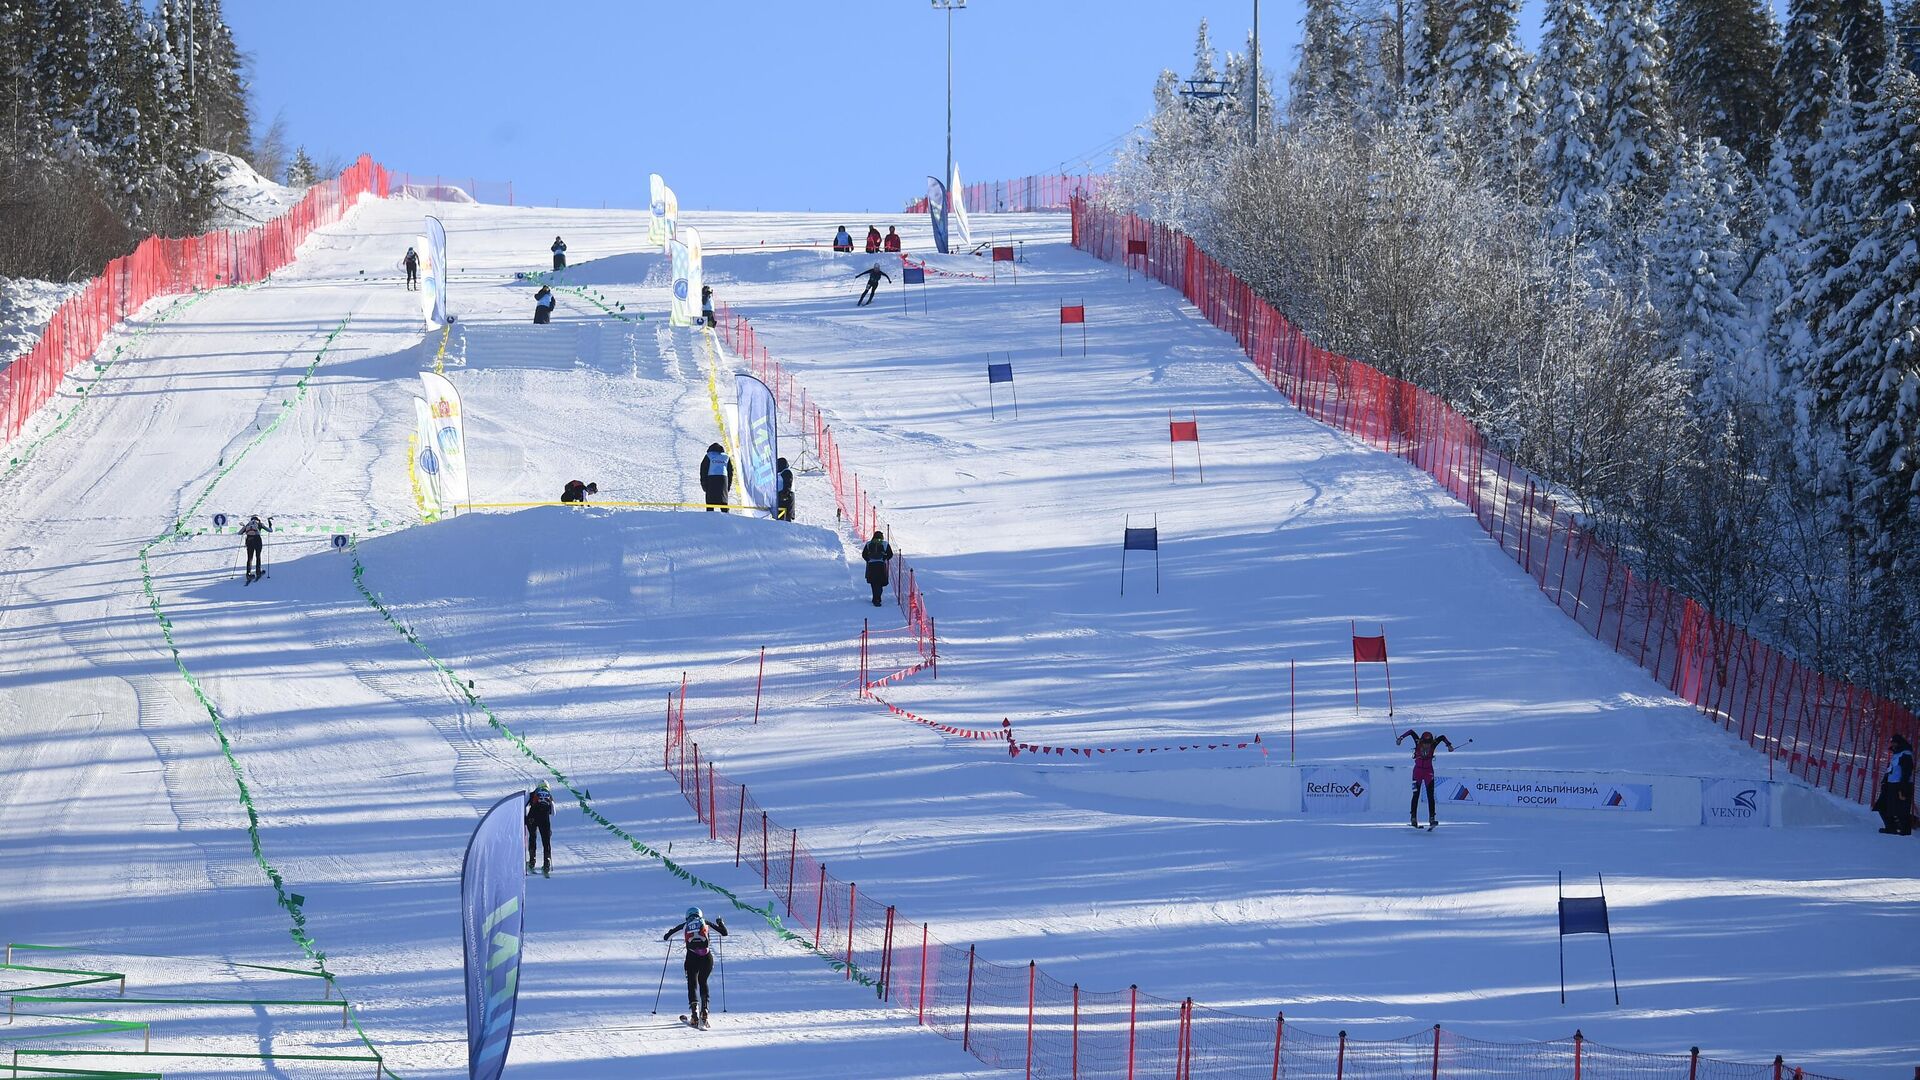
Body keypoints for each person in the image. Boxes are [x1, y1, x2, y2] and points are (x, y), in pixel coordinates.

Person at [662, 906, 728, 1027]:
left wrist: (671, 932)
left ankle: (694, 1014)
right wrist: (720, 923)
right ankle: (705, 1010)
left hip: (691, 958)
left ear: (687, 916)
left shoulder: (685, 925)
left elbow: (667, 937)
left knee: (692, 983)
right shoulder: (705, 923)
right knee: (703, 981)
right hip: (707, 957)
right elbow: (724, 933)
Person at [1397, 728, 1456, 830]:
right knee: (1416, 795)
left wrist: (1449, 745)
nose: (1427, 745)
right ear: (1421, 741)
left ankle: (1432, 818)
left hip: (1428, 772)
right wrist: (1400, 738)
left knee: (1430, 796)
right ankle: (1413, 818)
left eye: (1429, 743)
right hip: (1417, 772)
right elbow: (1411, 732)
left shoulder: (1433, 744)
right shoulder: (1418, 742)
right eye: (1425, 743)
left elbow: (1442, 737)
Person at [1874, 734, 1914, 835]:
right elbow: (1891, 769)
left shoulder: (1905, 754)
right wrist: (1885, 781)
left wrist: (1903, 788)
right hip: (1891, 784)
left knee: (1901, 809)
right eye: (1892, 743)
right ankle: (1891, 827)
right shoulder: (1896, 754)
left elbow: (1906, 772)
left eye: (1894, 743)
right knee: (1883, 806)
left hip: (1901, 785)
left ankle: (1904, 831)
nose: (1893, 745)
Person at [525, 780, 555, 874]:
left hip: (532, 818)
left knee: (532, 837)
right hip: (544, 819)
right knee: (546, 841)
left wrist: (525, 818)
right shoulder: (549, 796)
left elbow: (524, 805)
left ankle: (532, 862)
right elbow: (553, 812)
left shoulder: (532, 794)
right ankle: (546, 864)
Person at [861, 529, 892, 607]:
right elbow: (890, 554)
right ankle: (877, 598)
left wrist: (868, 560)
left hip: (871, 566)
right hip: (881, 565)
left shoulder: (868, 544)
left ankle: (875, 598)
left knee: (874, 583)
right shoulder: (885, 544)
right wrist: (884, 558)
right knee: (880, 582)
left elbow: (864, 554)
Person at [699, 442, 733, 512]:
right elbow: (730, 472)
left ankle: (710, 517)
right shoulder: (726, 457)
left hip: (711, 481)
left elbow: (703, 471)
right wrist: (728, 486)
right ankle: (726, 517)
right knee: (724, 504)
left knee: (710, 505)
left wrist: (704, 484)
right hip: (723, 481)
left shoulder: (708, 456)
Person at [240, 514, 273, 582]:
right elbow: (270, 530)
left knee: (249, 558)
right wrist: (269, 522)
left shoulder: (248, 524)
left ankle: (248, 574)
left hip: (249, 540)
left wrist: (244, 527)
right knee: (258, 556)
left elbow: (239, 533)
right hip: (257, 540)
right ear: (258, 519)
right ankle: (258, 572)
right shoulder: (259, 524)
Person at [774, 457, 794, 522]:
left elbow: (788, 483)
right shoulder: (783, 472)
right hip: (783, 497)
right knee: (781, 519)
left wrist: (785, 494)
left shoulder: (786, 472)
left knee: (784, 520)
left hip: (785, 499)